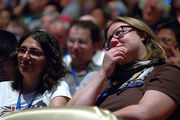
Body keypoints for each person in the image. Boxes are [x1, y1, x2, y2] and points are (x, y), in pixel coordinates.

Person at [68, 16, 180, 120]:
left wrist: (97, 118)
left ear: (142, 35)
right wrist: (102, 73)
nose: (112, 41)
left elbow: (145, 113)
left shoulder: (166, 71)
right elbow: (69, 113)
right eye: (109, 40)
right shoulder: (105, 77)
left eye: (119, 33)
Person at [0, 30, 71, 116]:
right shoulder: (2, 88)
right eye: (22, 50)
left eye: (34, 52)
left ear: (49, 60)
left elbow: (57, 117)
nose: (25, 57)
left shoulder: (57, 88)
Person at [63, 20, 100, 96]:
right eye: (72, 41)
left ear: (95, 46)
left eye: (82, 42)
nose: (75, 46)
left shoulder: (100, 74)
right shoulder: (57, 73)